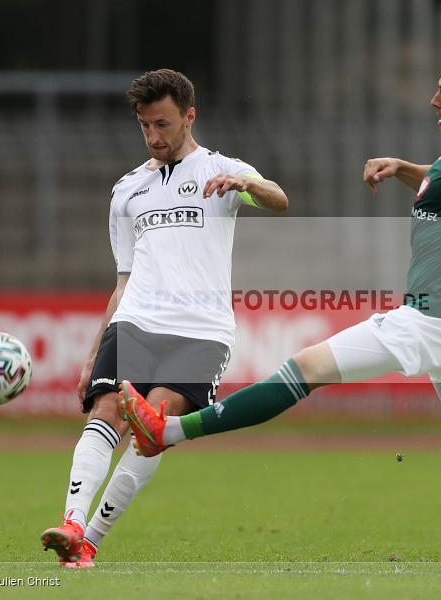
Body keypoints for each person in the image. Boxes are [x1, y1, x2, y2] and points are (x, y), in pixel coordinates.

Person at [122, 51, 441, 571]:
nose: (434, 99)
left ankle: (166, 432)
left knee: (306, 369)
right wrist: (405, 170)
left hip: (435, 316)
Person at [40, 69, 288, 568]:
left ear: (189, 116)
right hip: (137, 319)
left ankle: (90, 540)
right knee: (106, 410)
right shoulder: (128, 190)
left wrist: (246, 184)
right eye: (144, 126)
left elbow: (279, 199)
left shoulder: (222, 169)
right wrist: (92, 353)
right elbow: (122, 280)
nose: (154, 136)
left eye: (163, 123)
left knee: (155, 424)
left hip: (202, 331)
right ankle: (70, 524)